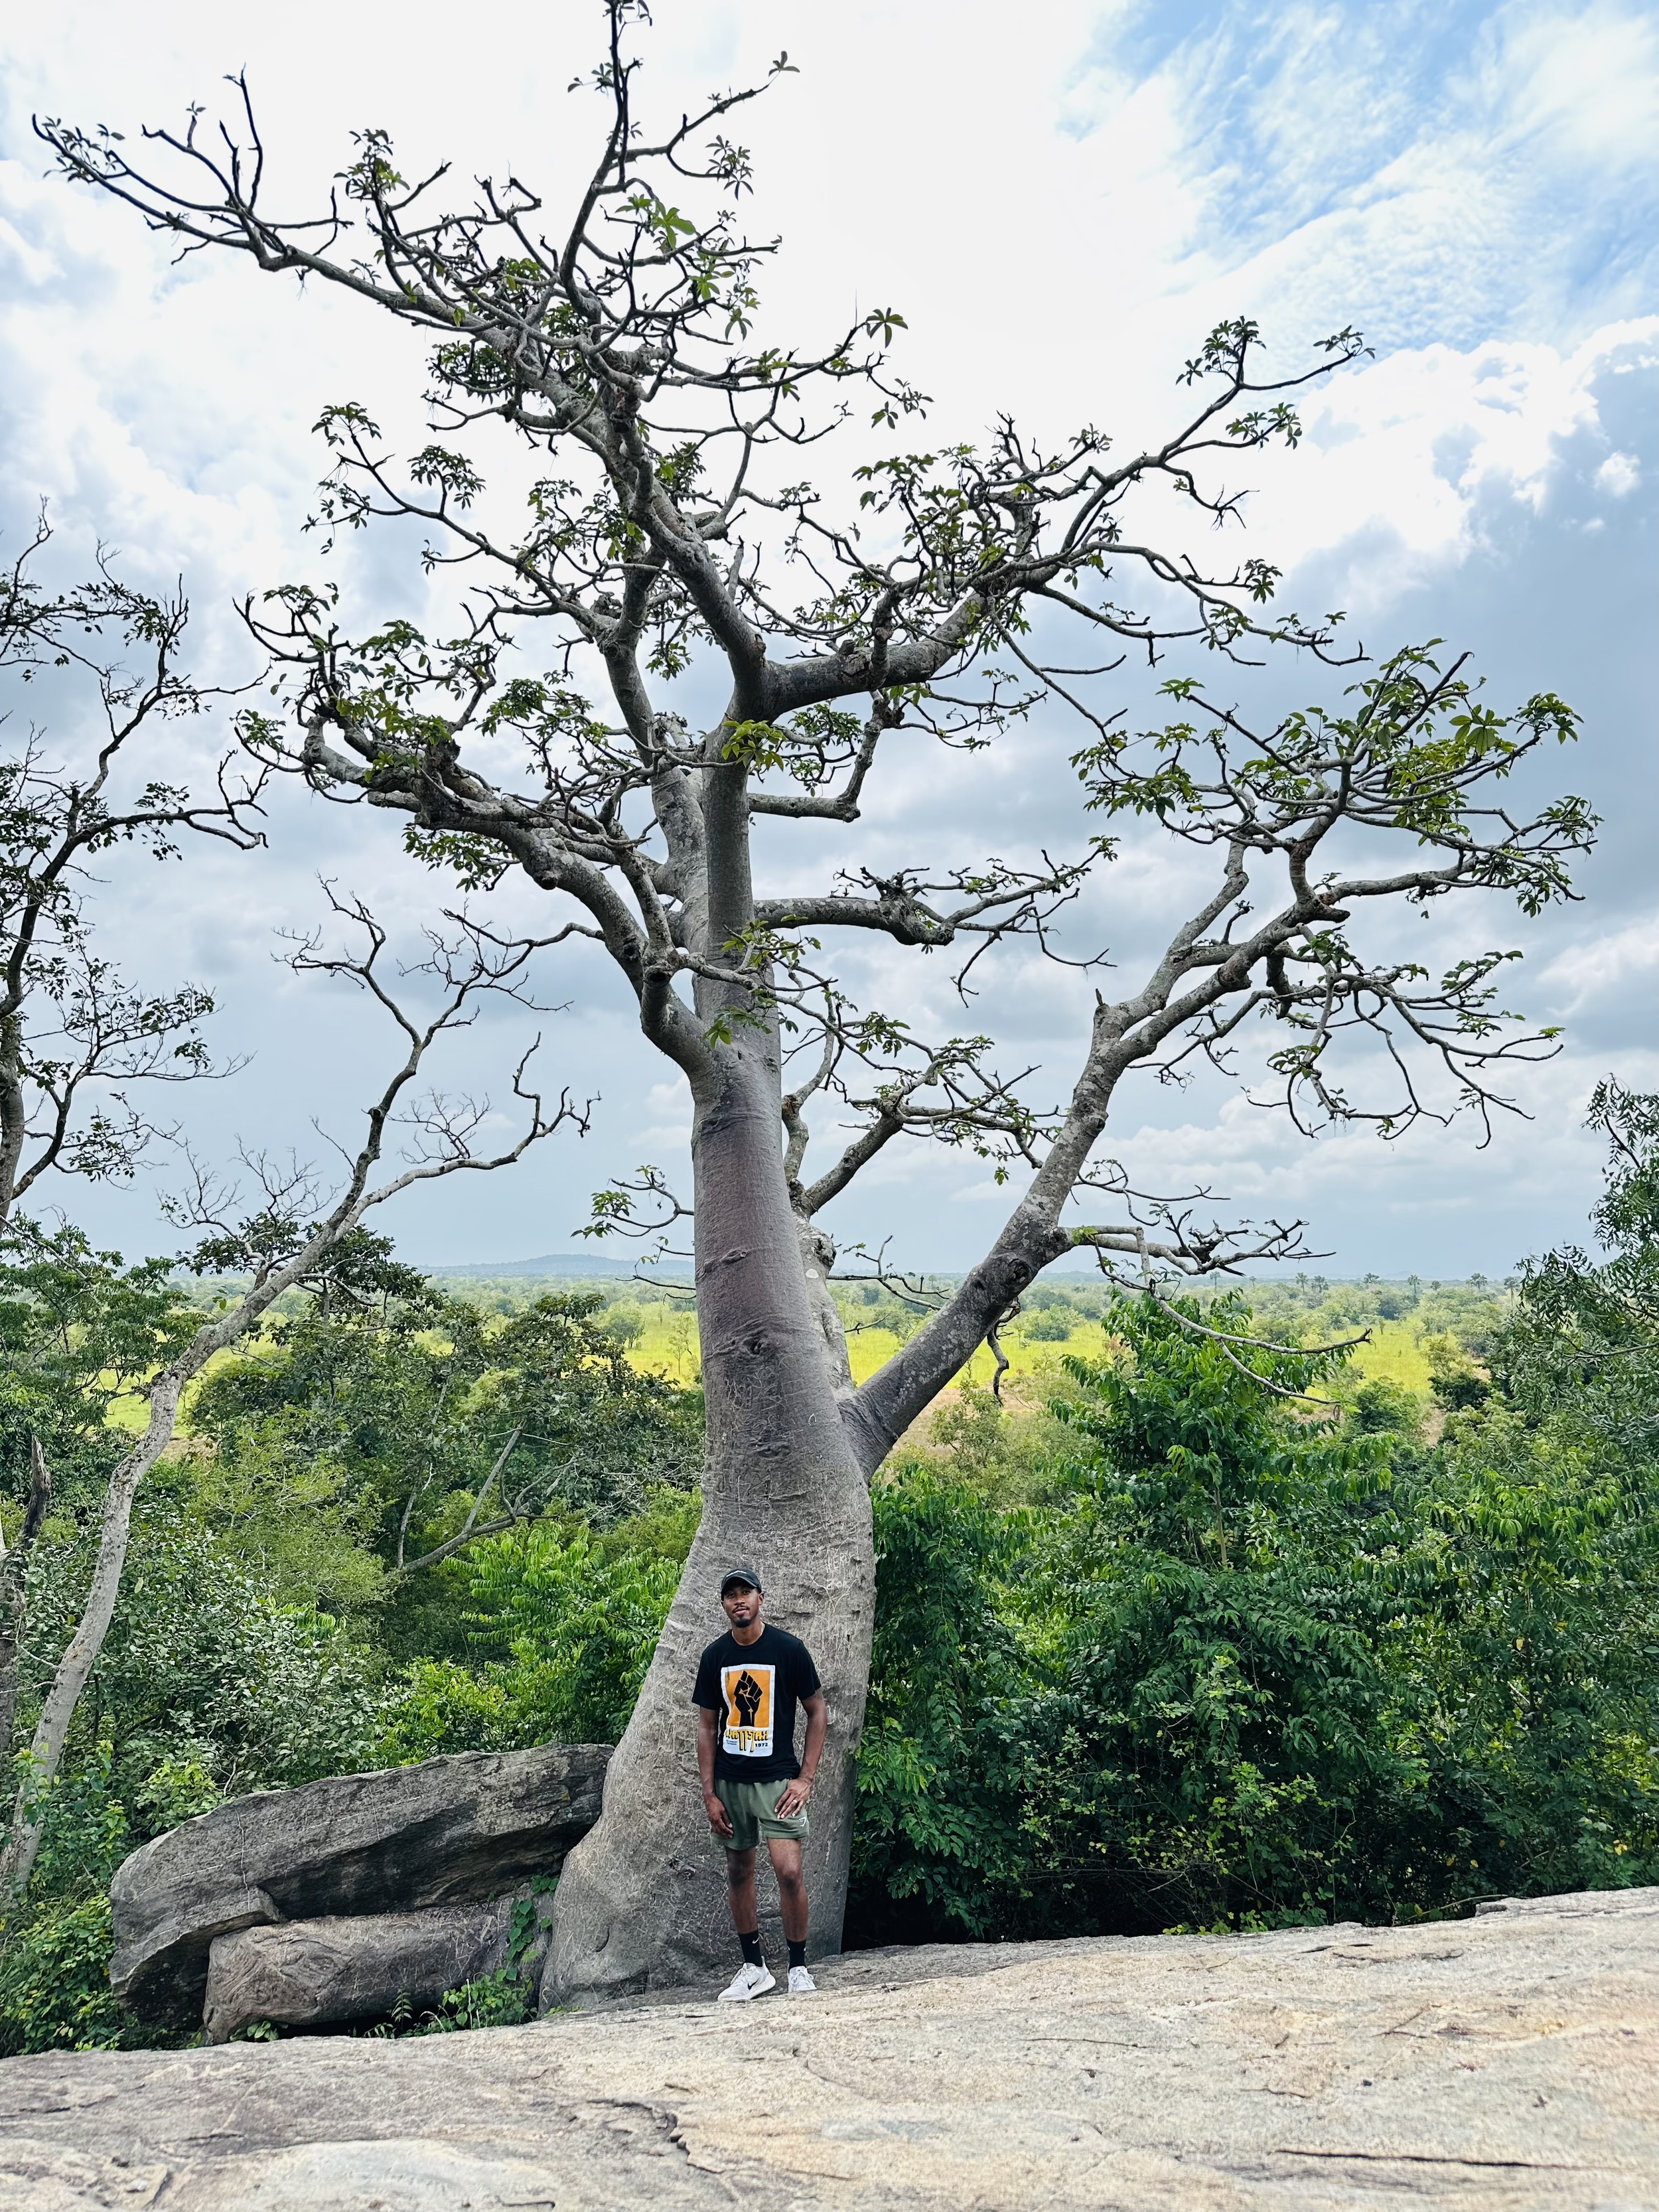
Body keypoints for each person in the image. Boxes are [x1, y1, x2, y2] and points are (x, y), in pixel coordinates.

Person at [691, 1565, 827, 2002]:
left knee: (789, 1871)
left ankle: (799, 1967)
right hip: (732, 1781)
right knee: (738, 1870)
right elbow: (706, 1727)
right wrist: (709, 1793)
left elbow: (818, 1711)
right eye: (730, 1594)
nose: (739, 1600)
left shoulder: (787, 1649)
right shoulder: (715, 1657)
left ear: (761, 1598)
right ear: (724, 1604)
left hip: (777, 1778)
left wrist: (805, 1778)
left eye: (745, 1591)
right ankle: (754, 1967)